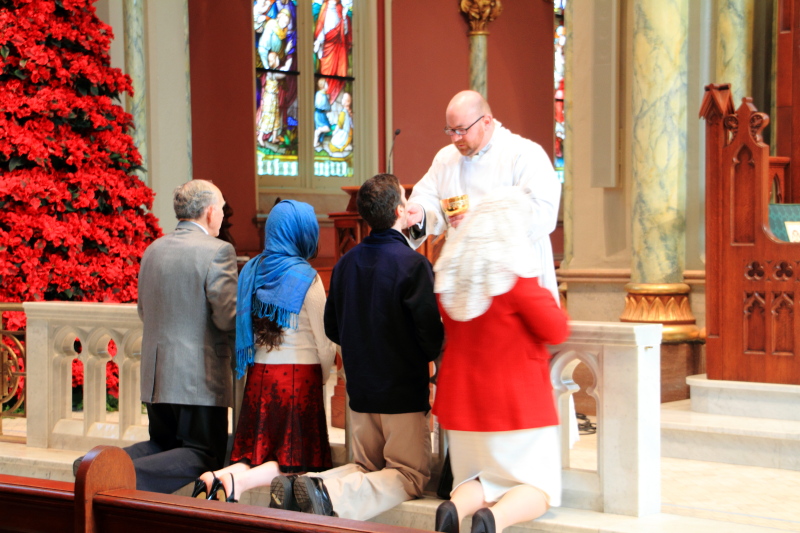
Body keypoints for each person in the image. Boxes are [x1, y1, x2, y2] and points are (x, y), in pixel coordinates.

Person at [270, 173, 444, 520]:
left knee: (366, 468)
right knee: (410, 476)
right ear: (399, 210)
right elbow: (430, 338)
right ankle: (328, 493)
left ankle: (304, 484)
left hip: (360, 392)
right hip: (401, 394)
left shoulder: (346, 262)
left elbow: (332, 326)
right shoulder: (413, 264)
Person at [431, 188, 570, 533]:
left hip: (463, 407)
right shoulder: (514, 280)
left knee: (480, 479)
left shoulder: (450, 280)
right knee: (539, 488)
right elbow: (556, 330)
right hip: (515, 407)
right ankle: (493, 520)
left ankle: (455, 507)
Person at [191, 200, 335, 504]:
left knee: (259, 452)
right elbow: (324, 341)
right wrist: (324, 375)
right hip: (299, 378)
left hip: (260, 376)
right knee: (298, 461)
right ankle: (236, 484)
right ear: (301, 232)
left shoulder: (252, 270)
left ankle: (219, 476)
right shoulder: (307, 278)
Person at [122, 179, 237, 493]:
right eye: (223, 209)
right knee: (204, 455)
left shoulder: (153, 249)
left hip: (158, 377)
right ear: (211, 212)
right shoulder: (218, 251)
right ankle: (116, 478)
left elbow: (144, 310)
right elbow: (227, 318)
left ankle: (95, 463)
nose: (224, 215)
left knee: (163, 445)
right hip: (197, 379)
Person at [406, 90, 562, 304]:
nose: (455, 139)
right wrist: (421, 213)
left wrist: (479, 222)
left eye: (461, 130)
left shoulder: (524, 155)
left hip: (514, 279)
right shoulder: (446, 159)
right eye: (450, 130)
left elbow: (543, 213)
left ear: (486, 121)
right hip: (466, 283)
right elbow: (429, 197)